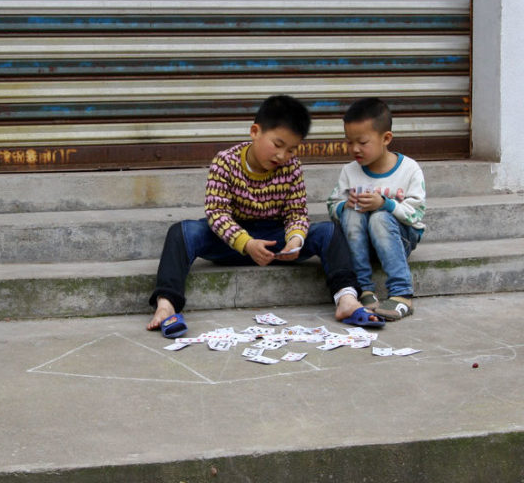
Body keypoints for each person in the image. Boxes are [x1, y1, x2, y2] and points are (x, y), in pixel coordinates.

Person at [146, 94, 384, 337]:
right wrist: (246, 243)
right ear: (255, 132)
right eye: (277, 144)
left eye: (291, 149)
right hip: (231, 242)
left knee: (329, 231)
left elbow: (296, 212)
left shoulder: (291, 167)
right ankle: (167, 305)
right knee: (182, 232)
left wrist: (295, 239)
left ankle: (346, 297)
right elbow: (217, 213)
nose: (282, 155)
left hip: (274, 241)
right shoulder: (225, 162)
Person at [326, 97, 426, 321]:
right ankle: (364, 289)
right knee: (350, 214)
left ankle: (402, 293)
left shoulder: (409, 169)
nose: (354, 149)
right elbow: (332, 205)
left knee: (380, 218)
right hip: (363, 244)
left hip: (400, 239)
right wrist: (345, 205)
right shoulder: (350, 171)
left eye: (362, 142)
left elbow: (417, 213)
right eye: (349, 142)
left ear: (386, 138)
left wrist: (386, 204)